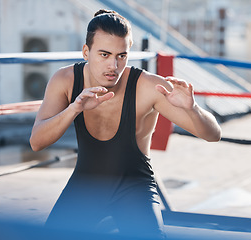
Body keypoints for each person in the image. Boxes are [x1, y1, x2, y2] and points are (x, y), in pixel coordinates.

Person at [30, 9, 221, 239]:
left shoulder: (149, 87)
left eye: (122, 55)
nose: (113, 65)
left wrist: (193, 108)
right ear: (85, 52)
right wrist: (74, 108)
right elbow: (37, 142)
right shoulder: (65, 80)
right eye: (104, 54)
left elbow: (213, 134)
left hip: (135, 188)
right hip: (86, 185)